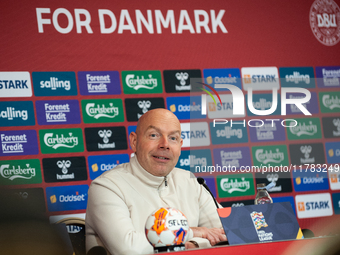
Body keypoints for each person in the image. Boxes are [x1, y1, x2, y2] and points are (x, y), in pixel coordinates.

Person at [85, 108, 227, 254]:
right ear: (134, 141)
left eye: (173, 138)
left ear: (180, 145)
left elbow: (229, 232)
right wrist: (191, 233)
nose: (165, 144)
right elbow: (129, 249)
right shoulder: (106, 187)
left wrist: (194, 244)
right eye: (154, 135)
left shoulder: (190, 181)